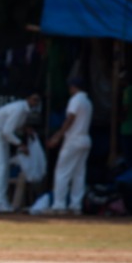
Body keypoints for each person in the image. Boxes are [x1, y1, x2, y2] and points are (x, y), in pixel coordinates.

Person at [0, 91, 42, 213]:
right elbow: (7, 131)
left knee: (4, 168)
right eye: (33, 99)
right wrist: (20, 144)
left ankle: (2, 201)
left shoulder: (24, 109)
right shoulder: (19, 108)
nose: (35, 102)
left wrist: (25, 130)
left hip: (2, 136)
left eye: (37, 100)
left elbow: (12, 127)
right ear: (28, 98)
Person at [45, 77, 93, 215]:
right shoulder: (88, 102)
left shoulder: (76, 100)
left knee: (62, 172)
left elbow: (70, 118)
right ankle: (76, 205)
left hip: (74, 139)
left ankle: (59, 205)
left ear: (73, 87)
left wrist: (58, 136)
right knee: (79, 174)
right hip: (85, 139)